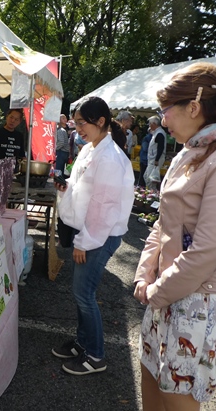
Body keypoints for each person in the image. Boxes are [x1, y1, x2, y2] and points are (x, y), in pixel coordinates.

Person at [133, 62, 216, 410]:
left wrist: (157, 291)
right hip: (170, 287)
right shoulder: (190, 151)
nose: (162, 119)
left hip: (204, 296)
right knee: (150, 373)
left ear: (194, 108)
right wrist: (144, 273)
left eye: (165, 110)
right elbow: (164, 222)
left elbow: (207, 250)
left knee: (176, 393)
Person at [51, 96, 134, 375]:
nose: (78, 129)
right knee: (80, 293)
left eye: (82, 123)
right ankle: (83, 342)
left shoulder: (109, 158)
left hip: (99, 235)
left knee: (84, 293)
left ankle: (96, 355)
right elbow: (82, 187)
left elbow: (104, 208)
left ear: (100, 121)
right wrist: (66, 189)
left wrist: (84, 243)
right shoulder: (91, 149)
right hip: (89, 231)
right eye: (75, 123)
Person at [143, 114, 167, 191]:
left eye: (150, 123)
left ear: (154, 124)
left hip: (155, 160)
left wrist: (157, 159)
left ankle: (152, 194)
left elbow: (161, 147)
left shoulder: (160, 133)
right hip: (152, 159)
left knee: (150, 179)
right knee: (147, 177)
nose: (149, 125)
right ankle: (152, 193)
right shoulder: (156, 132)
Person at [137, 123, 153, 187]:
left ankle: (141, 188)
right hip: (145, 159)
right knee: (142, 176)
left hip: (145, 159)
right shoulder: (147, 138)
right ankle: (140, 188)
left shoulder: (149, 138)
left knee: (143, 176)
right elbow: (145, 148)